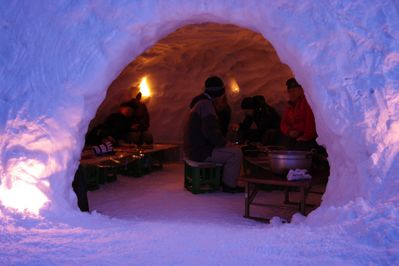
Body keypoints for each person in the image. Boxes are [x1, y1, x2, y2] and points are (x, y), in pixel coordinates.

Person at [184, 76, 243, 193]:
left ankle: (224, 179)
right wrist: (225, 143)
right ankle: (229, 185)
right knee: (236, 153)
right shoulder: (206, 105)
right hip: (200, 151)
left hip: (193, 149)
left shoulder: (199, 103)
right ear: (218, 94)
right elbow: (210, 131)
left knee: (231, 150)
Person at [280, 78, 317, 150]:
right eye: (290, 91)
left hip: (307, 137)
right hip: (293, 135)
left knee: (297, 146)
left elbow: (311, 122)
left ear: (300, 90)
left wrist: (306, 137)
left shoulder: (306, 103)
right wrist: (289, 131)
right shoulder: (290, 107)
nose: (292, 93)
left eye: (294, 90)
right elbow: (283, 123)